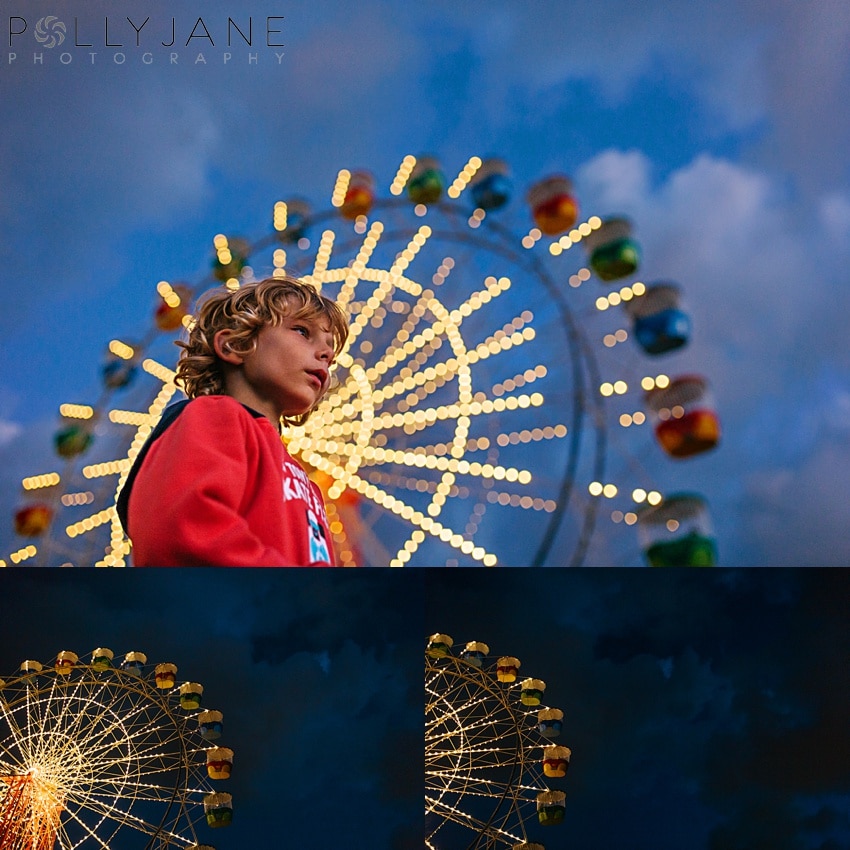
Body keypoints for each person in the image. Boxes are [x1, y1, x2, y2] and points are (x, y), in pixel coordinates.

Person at [117, 276, 349, 566]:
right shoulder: (213, 417)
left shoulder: (307, 484)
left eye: (331, 354)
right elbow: (183, 525)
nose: (325, 355)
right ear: (233, 346)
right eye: (302, 331)